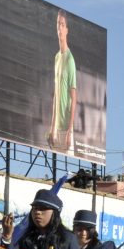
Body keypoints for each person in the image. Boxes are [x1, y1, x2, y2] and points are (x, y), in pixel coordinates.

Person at [49, 9, 77, 153]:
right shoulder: (57, 57)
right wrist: (52, 128)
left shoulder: (70, 60)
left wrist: (69, 132)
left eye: (62, 24)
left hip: (65, 130)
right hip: (57, 129)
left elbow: (74, 98)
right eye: (58, 24)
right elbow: (56, 95)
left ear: (67, 29)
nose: (59, 28)